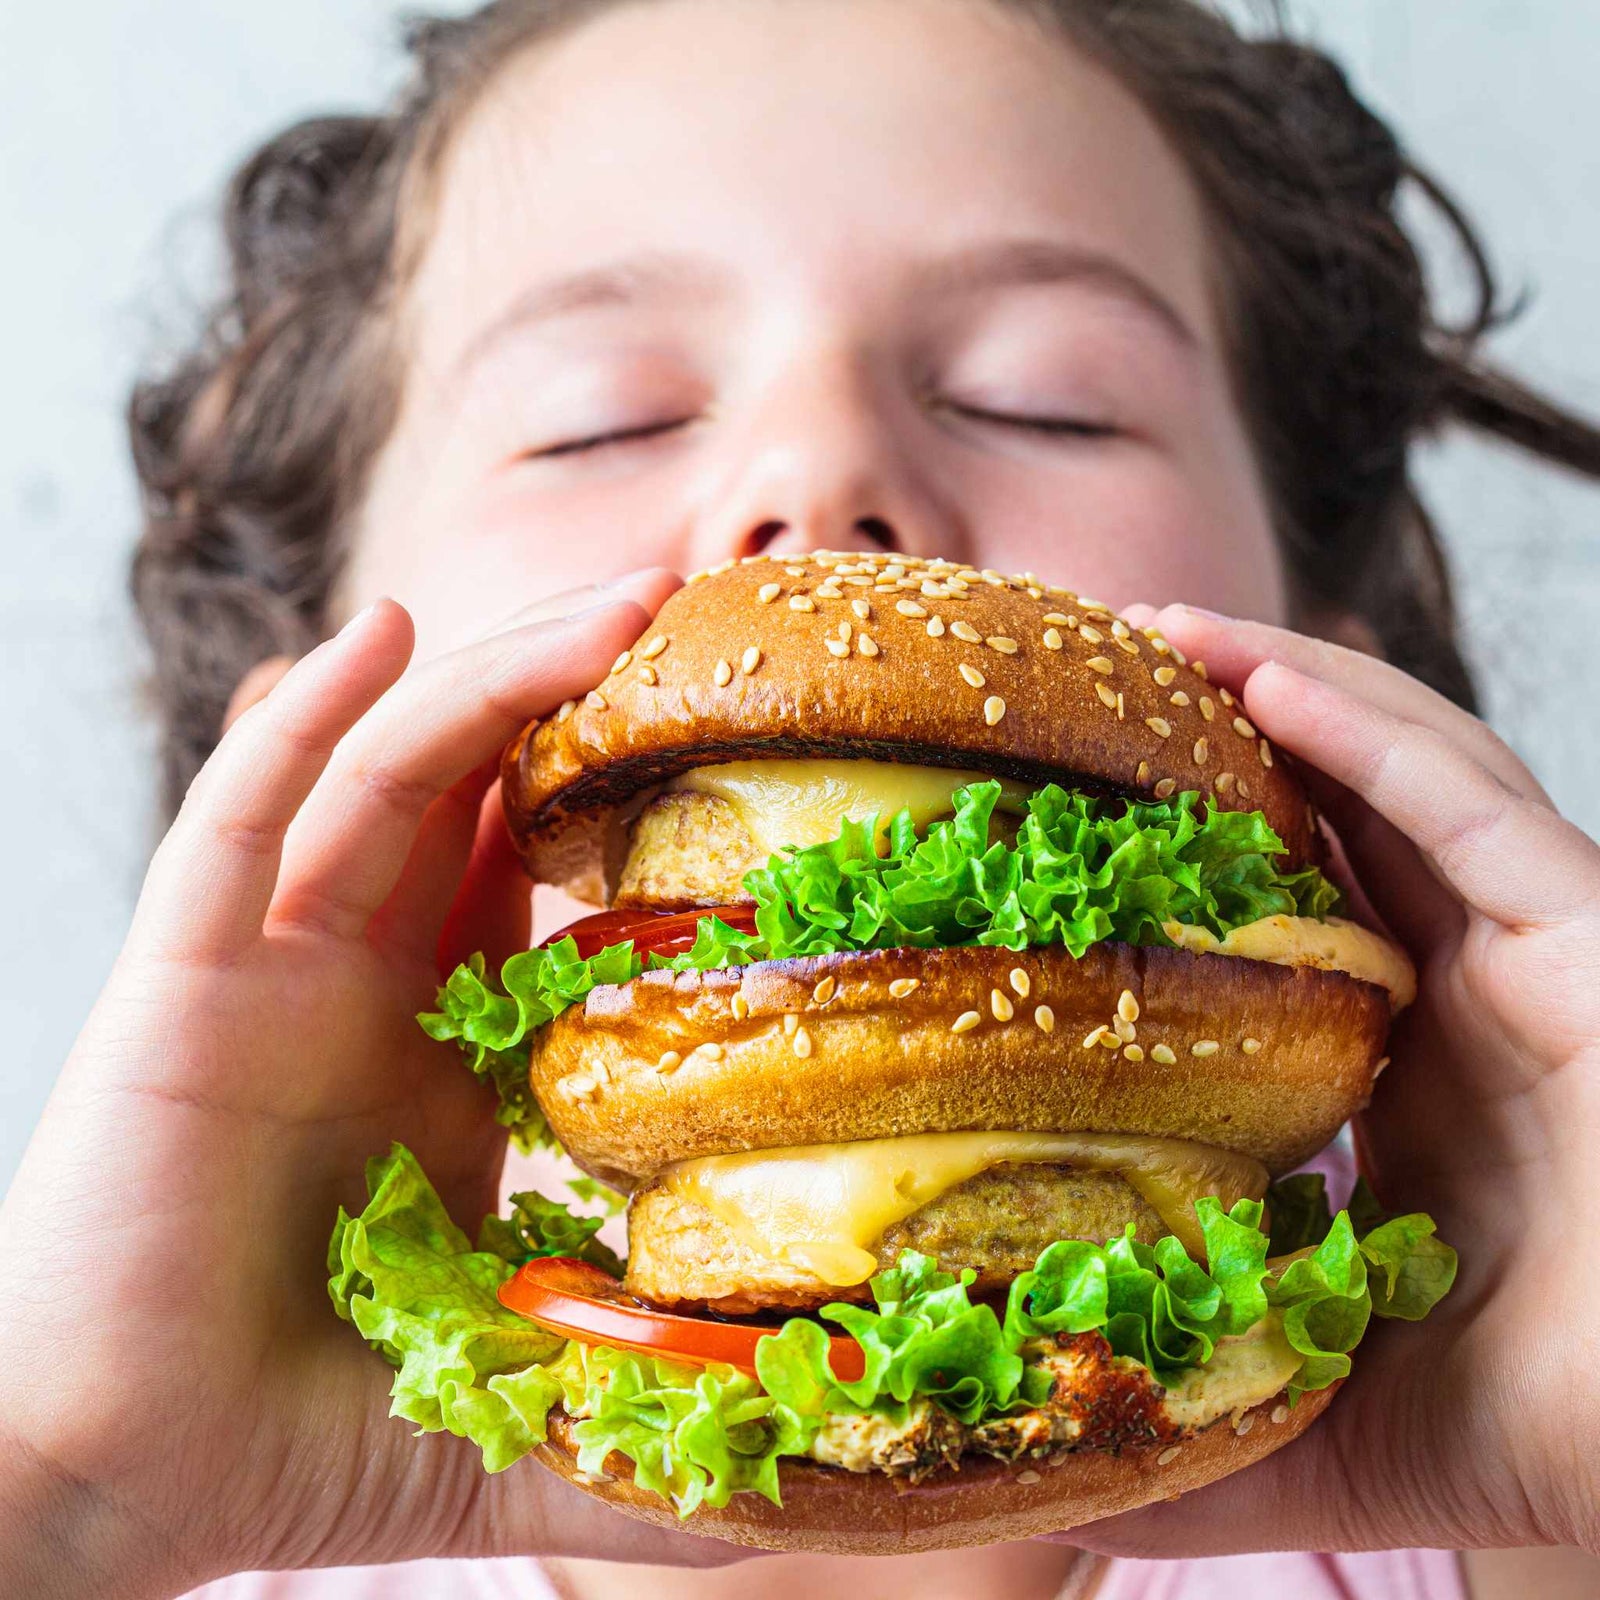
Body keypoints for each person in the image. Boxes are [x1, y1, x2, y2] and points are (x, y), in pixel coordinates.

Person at [4, 0, 1600, 1595]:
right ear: (305, 738)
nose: (819, 474)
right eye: (602, 417)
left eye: (1047, 398)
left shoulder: (1502, 1484)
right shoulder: (177, 1516)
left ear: (1340, 695)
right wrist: (74, 1493)